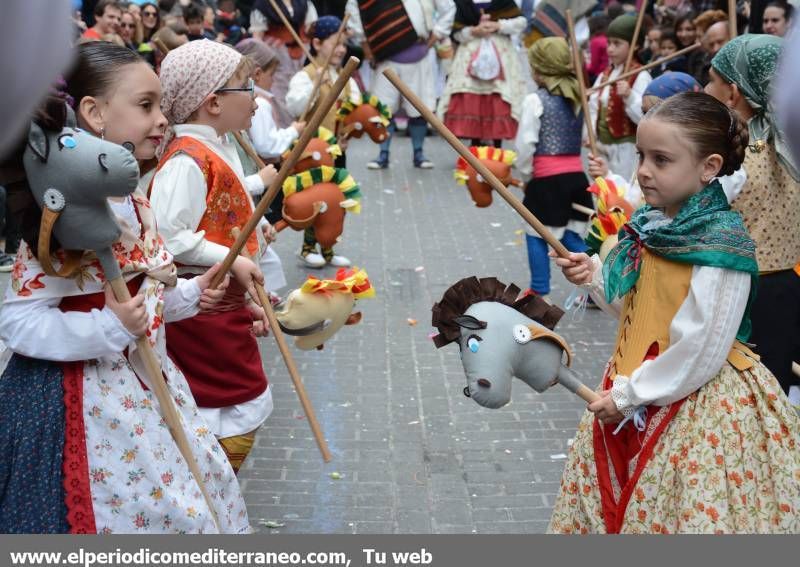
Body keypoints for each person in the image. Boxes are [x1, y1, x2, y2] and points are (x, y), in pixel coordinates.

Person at [0, 41, 249, 533]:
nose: (162, 119)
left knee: (195, 500)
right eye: (145, 106)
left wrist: (193, 294)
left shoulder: (135, 203)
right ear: (93, 113)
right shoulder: (61, 217)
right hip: (82, 407)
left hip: (151, 389)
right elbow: (19, 321)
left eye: (160, 105)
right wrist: (106, 326)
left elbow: (145, 305)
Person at [549, 91, 800, 533]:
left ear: (710, 168)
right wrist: (592, 275)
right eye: (641, 156)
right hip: (636, 386)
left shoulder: (721, 245)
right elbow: (638, 308)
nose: (644, 171)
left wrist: (630, 396)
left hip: (693, 402)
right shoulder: (650, 224)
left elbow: (702, 345)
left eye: (661, 160)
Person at [149, 39, 278, 474]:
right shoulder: (186, 159)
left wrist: (255, 227)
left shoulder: (214, 146)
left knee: (235, 399)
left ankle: (215, 488)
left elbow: (220, 207)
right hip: (200, 309)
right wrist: (234, 258)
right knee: (225, 398)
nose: (257, 98)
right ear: (214, 102)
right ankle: (208, 486)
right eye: (247, 87)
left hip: (224, 305)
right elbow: (169, 235)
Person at [705, 34, 800, 395]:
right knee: (771, 396)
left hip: (732, 291)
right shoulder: (788, 145)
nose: (704, 87)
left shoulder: (729, 157)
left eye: (712, 80)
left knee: (732, 400)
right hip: (786, 292)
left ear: (733, 93)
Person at [514, 38, 592, 299]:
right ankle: (596, 283)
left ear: (539, 68)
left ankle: (539, 290)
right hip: (577, 179)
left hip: (548, 182)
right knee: (569, 233)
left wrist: (526, 174)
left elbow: (526, 144)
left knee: (536, 233)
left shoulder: (536, 100)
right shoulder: (579, 98)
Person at [285, 15, 359, 268]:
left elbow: (353, 109)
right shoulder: (304, 76)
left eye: (343, 44)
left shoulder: (345, 77)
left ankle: (328, 249)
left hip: (336, 151)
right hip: (312, 154)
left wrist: (348, 131)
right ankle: (307, 249)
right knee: (316, 200)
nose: (341, 49)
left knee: (337, 200)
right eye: (335, 43)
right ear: (316, 44)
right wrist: (315, 84)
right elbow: (295, 107)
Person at [345, 0, 455, 170]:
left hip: (420, 56)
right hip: (385, 58)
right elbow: (354, 8)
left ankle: (419, 153)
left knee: (420, 109)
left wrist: (436, 35)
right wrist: (365, 43)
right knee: (383, 109)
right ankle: (383, 153)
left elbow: (448, 8)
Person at [439, 0, 527, 149]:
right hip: (469, 57)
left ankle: (496, 149)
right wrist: (474, 31)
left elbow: (521, 22)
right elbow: (456, 33)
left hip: (501, 56)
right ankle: (474, 150)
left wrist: (499, 25)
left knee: (499, 99)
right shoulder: (463, 3)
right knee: (472, 101)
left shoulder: (504, 2)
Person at [587, 13, 652, 183]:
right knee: (603, 190)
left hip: (626, 149)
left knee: (621, 190)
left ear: (635, 46)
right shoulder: (605, 74)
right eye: (609, 43)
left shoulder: (641, 76)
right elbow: (594, 106)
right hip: (602, 147)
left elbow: (647, 118)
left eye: (617, 44)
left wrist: (630, 97)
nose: (610, 49)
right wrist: (591, 134)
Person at [236, 39, 305, 162]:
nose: (273, 80)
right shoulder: (259, 103)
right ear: (257, 74)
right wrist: (293, 131)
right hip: (266, 170)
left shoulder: (255, 98)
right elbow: (266, 145)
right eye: (271, 74)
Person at [587, 14, 610, 83]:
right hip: (607, 73)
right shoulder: (607, 38)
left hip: (599, 76)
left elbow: (593, 68)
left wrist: (582, 65)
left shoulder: (596, 41)